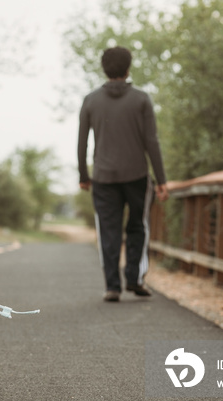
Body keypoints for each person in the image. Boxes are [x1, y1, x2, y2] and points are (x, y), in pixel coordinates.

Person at [77, 46, 169, 303]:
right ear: (128, 69)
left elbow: (82, 142)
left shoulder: (90, 100)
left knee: (108, 230)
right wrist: (161, 181)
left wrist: (84, 175)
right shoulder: (141, 99)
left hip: (103, 177)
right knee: (138, 226)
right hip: (137, 175)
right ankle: (135, 279)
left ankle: (112, 287)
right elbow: (152, 142)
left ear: (104, 69)